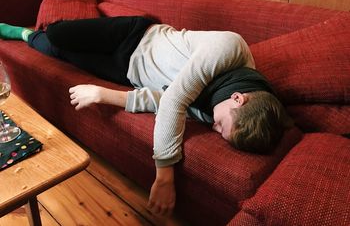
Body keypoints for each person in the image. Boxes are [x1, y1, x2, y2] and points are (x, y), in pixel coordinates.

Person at [0, 17, 292, 216]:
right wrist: (164, 176)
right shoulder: (230, 48)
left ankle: (23, 34)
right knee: (58, 34)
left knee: (57, 51)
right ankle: (51, 25)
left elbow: (163, 99)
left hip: (126, 72)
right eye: (221, 124)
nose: (213, 127)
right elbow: (175, 101)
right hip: (135, 35)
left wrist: (103, 94)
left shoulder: (220, 104)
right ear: (239, 99)